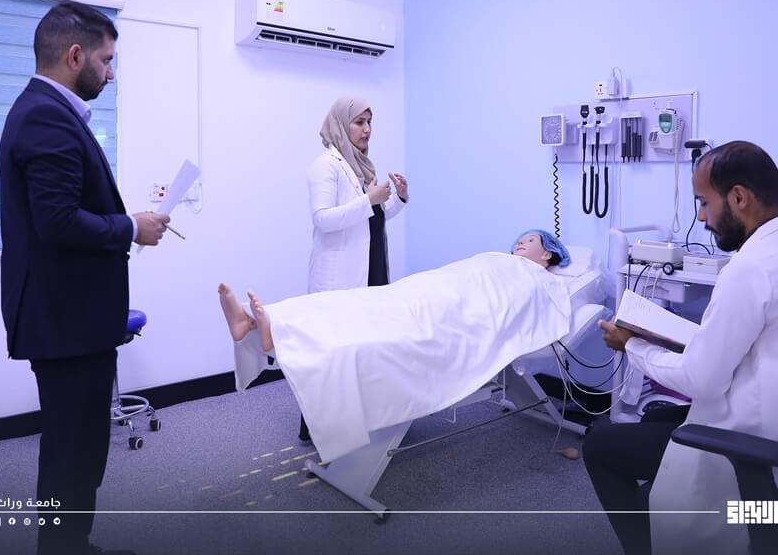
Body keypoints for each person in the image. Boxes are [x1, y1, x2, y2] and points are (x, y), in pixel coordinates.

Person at [583, 141, 778, 555]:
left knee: (600, 444)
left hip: (763, 485)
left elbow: (701, 380)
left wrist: (633, 345)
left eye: (703, 202)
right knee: (657, 420)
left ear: (739, 197)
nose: (700, 216)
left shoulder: (751, 268)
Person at [0, 0, 169, 555]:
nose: (111, 73)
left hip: (69, 317)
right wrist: (131, 227)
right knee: (73, 453)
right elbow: (57, 221)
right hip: (65, 320)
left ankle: (70, 545)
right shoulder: (45, 116)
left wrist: (125, 224)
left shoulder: (45, 110)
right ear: (75, 56)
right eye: (106, 60)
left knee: (77, 448)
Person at [218, 229, 573, 462]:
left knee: (375, 317)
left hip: (452, 306)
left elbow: (519, 312)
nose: (519, 244)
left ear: (548, 255)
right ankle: (261, 320)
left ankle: (271, 327)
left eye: (530, 241)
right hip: (427, 291)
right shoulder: (495, 260)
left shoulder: (540, 281)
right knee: (356, 304)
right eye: (518, 240)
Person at [297, 97, 410, 441]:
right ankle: (320, 429)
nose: (367, 130)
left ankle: (361, 421)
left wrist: (397, 199)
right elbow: (323, 219)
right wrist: (368, 200)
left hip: (370, 267)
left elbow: (371, 219)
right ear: (340, 125)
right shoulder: (325, 166)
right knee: (332, 354)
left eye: (369, 122)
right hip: (340, 275)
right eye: (359, 122)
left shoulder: (361, 166)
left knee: (364, 348)